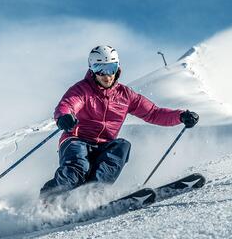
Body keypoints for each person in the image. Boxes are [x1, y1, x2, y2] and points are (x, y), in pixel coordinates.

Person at [40, 45, 199, 198]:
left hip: (105, 144)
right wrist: (64, 116)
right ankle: (49, 199)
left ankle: (91, 196)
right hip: (76, 140)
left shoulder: (125, 95)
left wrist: (180, 116)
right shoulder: (83, 89)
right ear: (92, 70)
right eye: (99, 69)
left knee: (122, 146)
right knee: (78, 169)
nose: (106, 75)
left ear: (117, 68)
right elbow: (67, 105)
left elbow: (153, 113)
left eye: (111, 68)